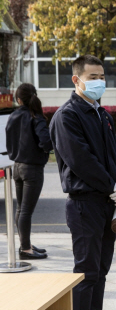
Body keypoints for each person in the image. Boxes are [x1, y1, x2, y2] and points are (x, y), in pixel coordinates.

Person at [50, 55, 116, 310]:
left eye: (102, 76)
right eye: (93, 76)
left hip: (106, 200)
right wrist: (113, 185)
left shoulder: (102, 114)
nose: (100, 81)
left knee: (101, 267)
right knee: (86, 270)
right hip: (85, 202)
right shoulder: (67, 116)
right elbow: (81, 160)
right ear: (77, 79)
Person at [5, 83, 52, 260]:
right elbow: (45, 142)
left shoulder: (13, 115)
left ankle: (26, 245)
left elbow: (9, 140)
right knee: (26, 211)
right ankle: (26, 249)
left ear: (18, 99)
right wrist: (47, 149)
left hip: (16, 166)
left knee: (20, 209)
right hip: (32, 169)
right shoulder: (36, 117)